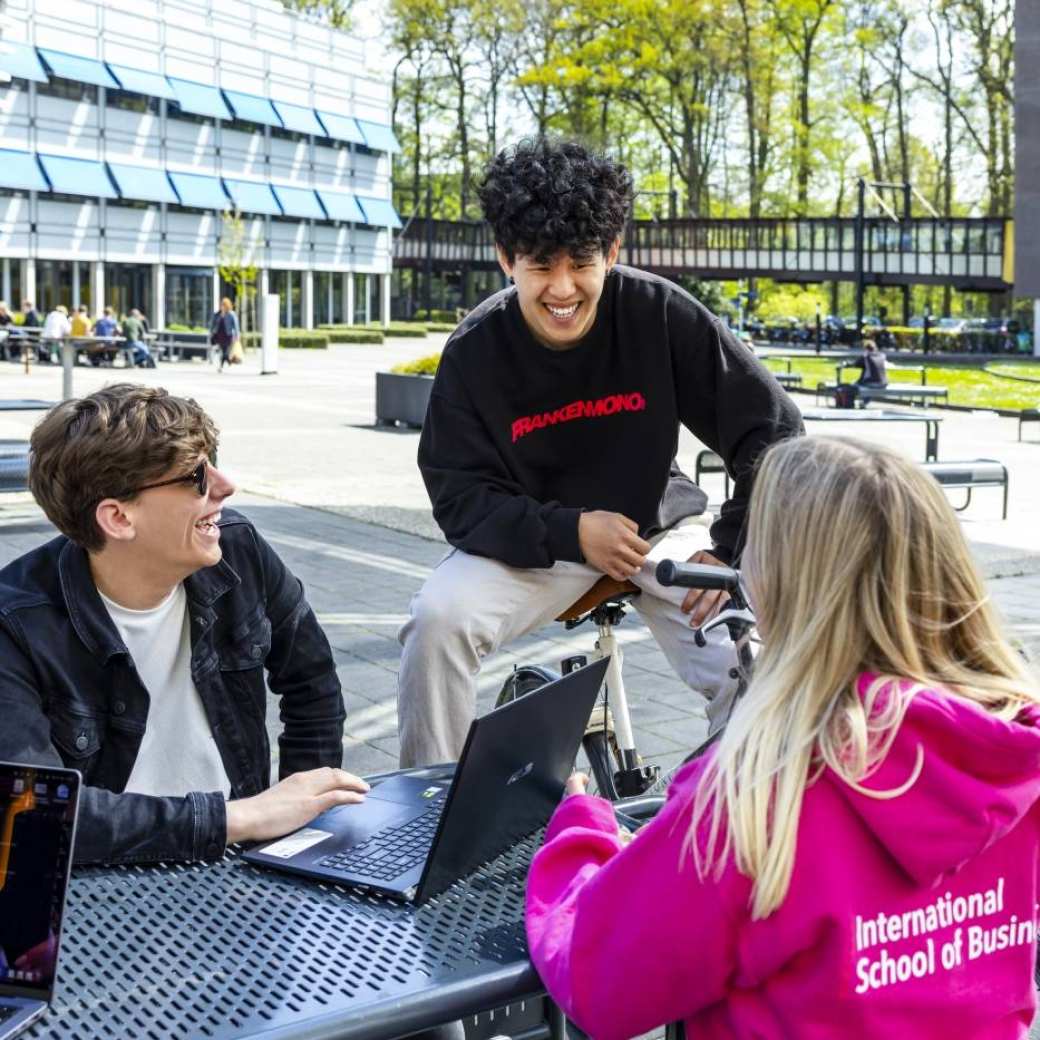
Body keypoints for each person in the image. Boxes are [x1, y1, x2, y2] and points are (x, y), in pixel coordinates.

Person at [526, 435, 1040, 1040]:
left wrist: (580, 830)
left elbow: (598, 981)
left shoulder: (758, 795)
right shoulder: (1013, 754)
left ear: (779, 581)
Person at [397, 138, 803, 768]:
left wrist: (727, 545)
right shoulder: (475, 350)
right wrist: (570, 531)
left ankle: (738, 810)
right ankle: (429, 807)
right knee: (437, 620)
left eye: (582, 262)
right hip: (534, 544)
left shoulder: (660, 313)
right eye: (539, 264)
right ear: (506, 258)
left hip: (655, 529)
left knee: (748, 656)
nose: (562, 288)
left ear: (612, 251)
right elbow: (459, 497)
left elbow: (774, 430)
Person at [0, 384, 367, 864]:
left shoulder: (238, 549)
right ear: (118, 517)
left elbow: (312, 683)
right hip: (99, 882)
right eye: (196, 477)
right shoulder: (16, 625)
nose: (224, 485)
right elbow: (32, 815)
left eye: (212, 459)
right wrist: (245, 818)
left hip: (238, 863)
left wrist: (300, 825)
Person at [837, 338, 888, 408]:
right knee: (867, 384)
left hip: (872, 383)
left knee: (854, 385)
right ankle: (864, 402)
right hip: (884, 383)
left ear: (866, 349)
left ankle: (851, 403)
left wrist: (846, 363)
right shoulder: (882, 355)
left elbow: (855, 364)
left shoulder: (866, 357)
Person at [210, 297, 240, 371]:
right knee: (223, 351)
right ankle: (229, 361)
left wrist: (237, 335)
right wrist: (211, 332)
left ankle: (221, 366)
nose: (222, 306)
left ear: (227, 305)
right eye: (221, 305)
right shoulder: (217, 314)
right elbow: (212, 324)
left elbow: (236, 326)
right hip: (219, 335)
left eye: (224, 305)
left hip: (228, 335)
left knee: (225, 351)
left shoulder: (231, 314)